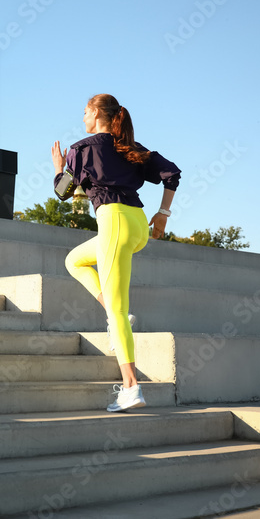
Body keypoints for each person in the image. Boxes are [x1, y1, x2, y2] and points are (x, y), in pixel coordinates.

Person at [52, 94, 180, 412]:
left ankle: (131, 388)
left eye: (84, 112)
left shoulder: (81, 148)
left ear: (96, 113)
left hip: (114, 221)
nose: (82, 117)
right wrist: (163, 213)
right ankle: (112, 309)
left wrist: (59, 168)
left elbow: (63, 193)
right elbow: (172, 173)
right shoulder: (130, 147)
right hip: (136, 225)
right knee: (74, 261)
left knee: (119, 315)